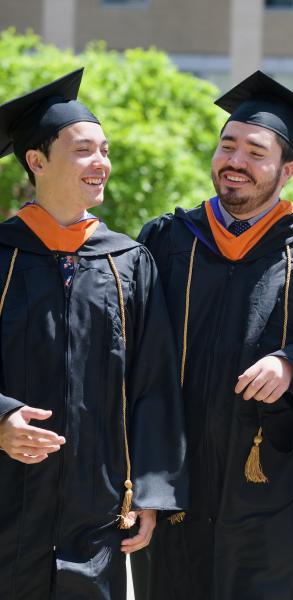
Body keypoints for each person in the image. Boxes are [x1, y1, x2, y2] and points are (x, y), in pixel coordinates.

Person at [136, 71, 293, 600]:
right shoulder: (168, 239)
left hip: (276, 484)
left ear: (286, 170)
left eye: (255, 152)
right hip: (177, 480)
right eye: (227, 146)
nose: (235, 161)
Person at [0, 69, 186, 600]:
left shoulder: (128, 261)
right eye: (84, 150)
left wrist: (151, 491)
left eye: (104, 149)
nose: (101, 163)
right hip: (9, 504)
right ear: (37, 161)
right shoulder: (4, 255)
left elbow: (154, 385)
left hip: (98, 512)